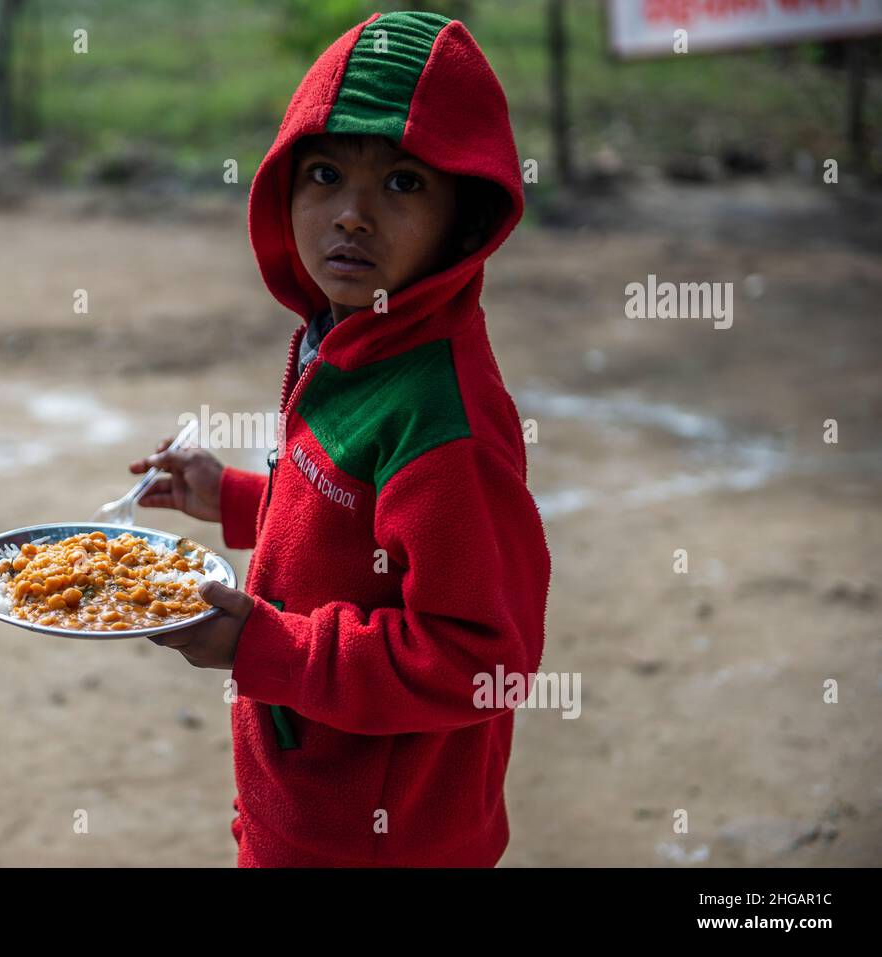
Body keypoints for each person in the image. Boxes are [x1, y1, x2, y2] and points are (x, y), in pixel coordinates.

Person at [126, 11, 551, 867]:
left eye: (402, 184)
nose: (352, 215)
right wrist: (235, 498)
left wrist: (265, 649)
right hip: (307, 803)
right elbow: (351, 520)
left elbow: (478, 656)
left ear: (463, 223)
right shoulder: (350, 337)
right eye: (324, 174)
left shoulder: (442, 419)